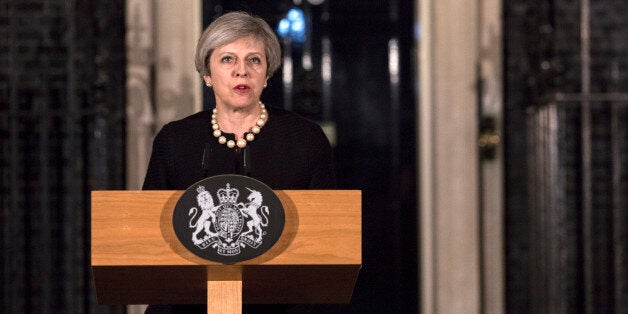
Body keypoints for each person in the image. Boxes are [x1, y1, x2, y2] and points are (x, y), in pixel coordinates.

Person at [143, 11, 336, 313]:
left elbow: (327, 243)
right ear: (207, 74)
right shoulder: (175, 140)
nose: (241, 72)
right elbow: (150, 240)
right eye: (227, 59)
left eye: (254, 60)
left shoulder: (305, 139)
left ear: (267, 73)